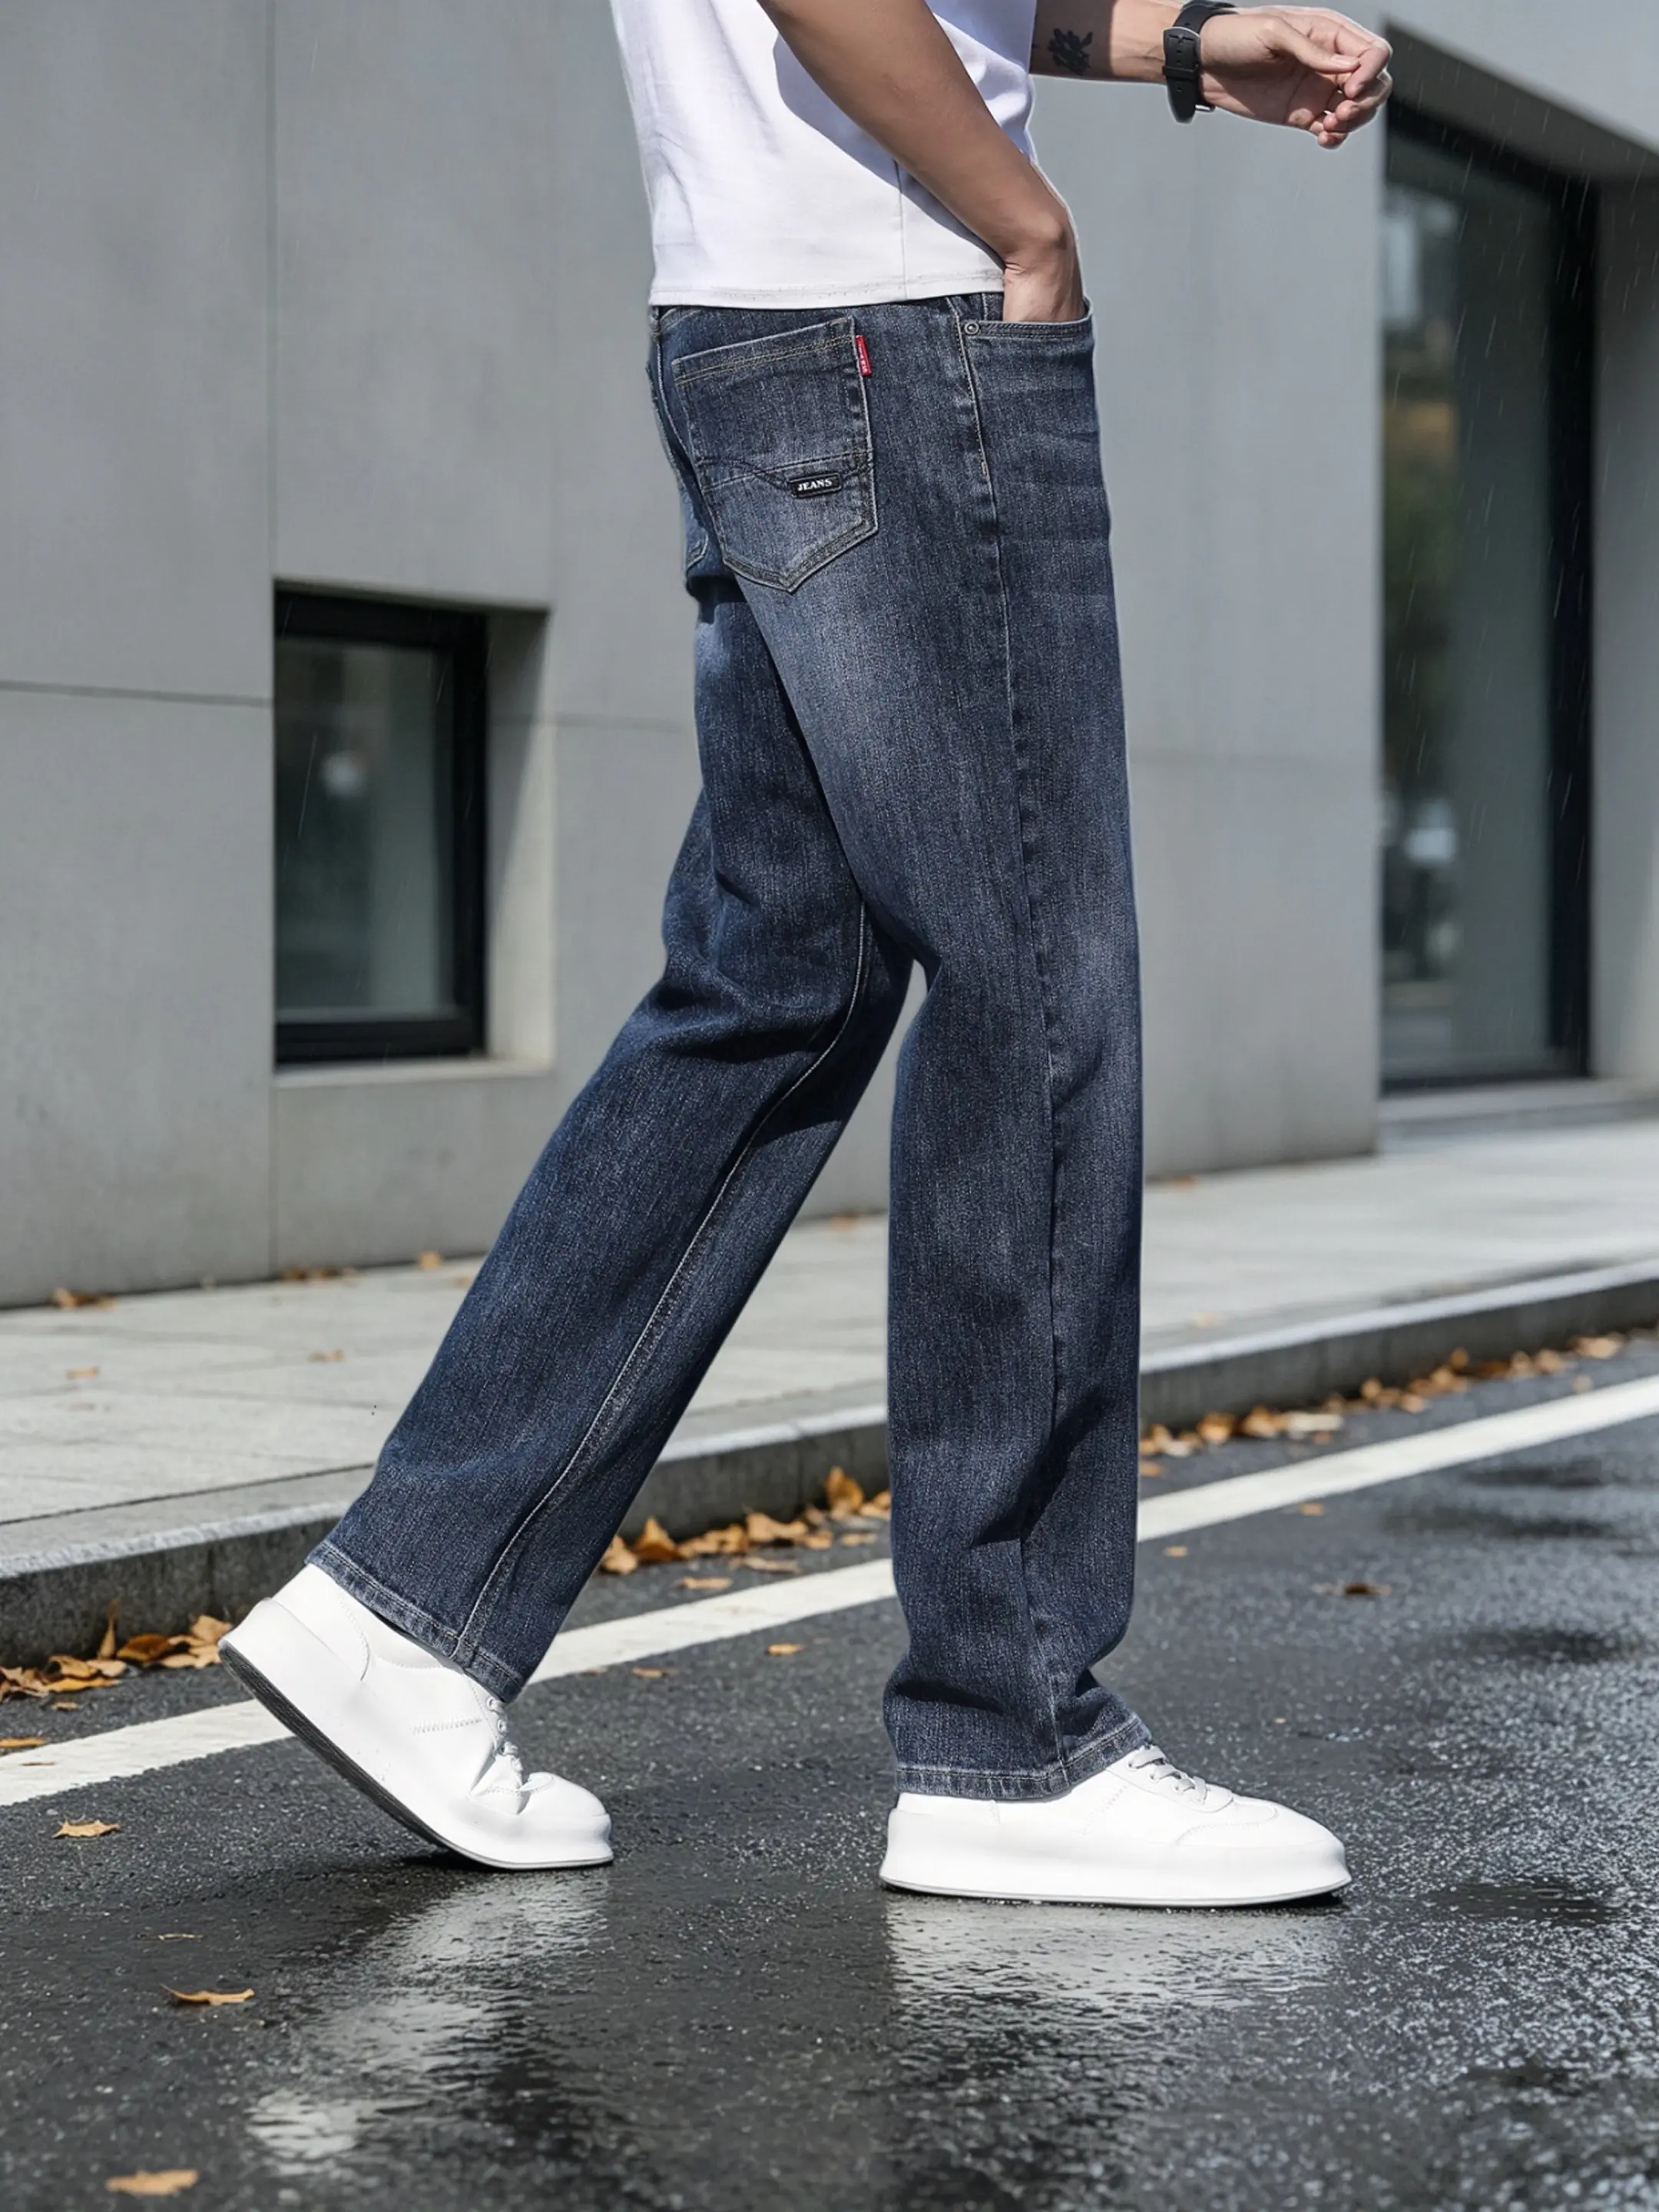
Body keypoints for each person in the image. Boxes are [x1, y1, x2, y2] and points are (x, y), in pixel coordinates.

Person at [224, 0, 1391, 1904]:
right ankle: (1014, 1733)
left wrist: (1180, 43)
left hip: (764, 330)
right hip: (901, 325)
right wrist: (1025, 224)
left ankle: (407, 1609)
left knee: (778, 984)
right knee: (1037, 988)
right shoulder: (963, 251)